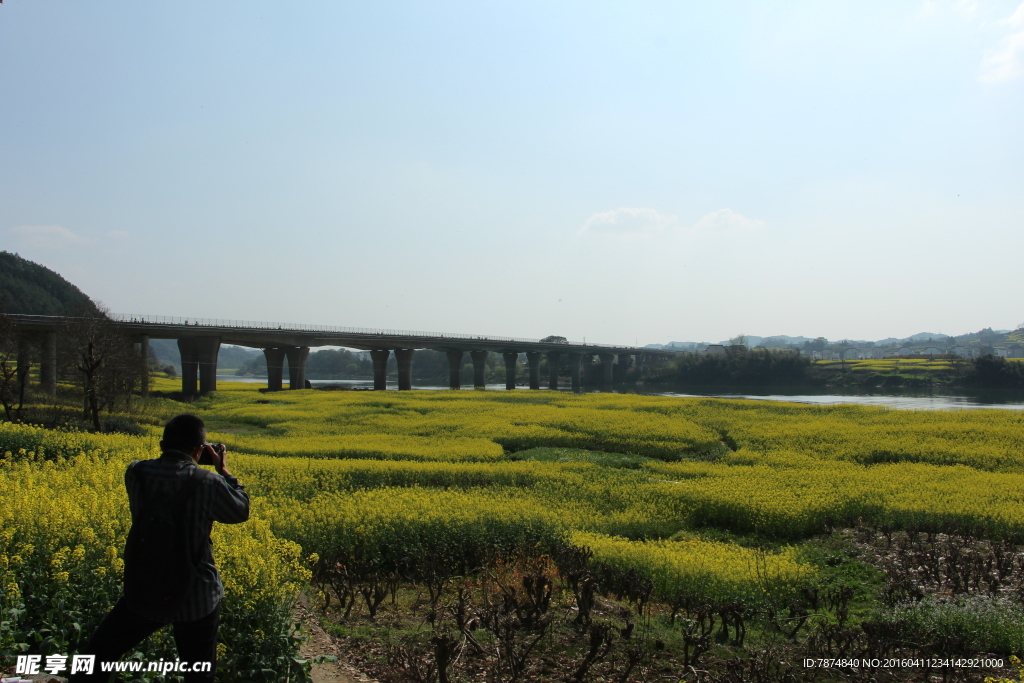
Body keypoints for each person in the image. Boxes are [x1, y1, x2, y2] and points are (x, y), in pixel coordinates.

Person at [70, 414, 250, 682]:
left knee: (99, 653)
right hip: (196, 593)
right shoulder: (208, 482)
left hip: (146, 584)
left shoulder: (136, 472)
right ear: (199, 450)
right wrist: (223, 470)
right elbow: (240, 511)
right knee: (199, 673)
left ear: (162, 445)